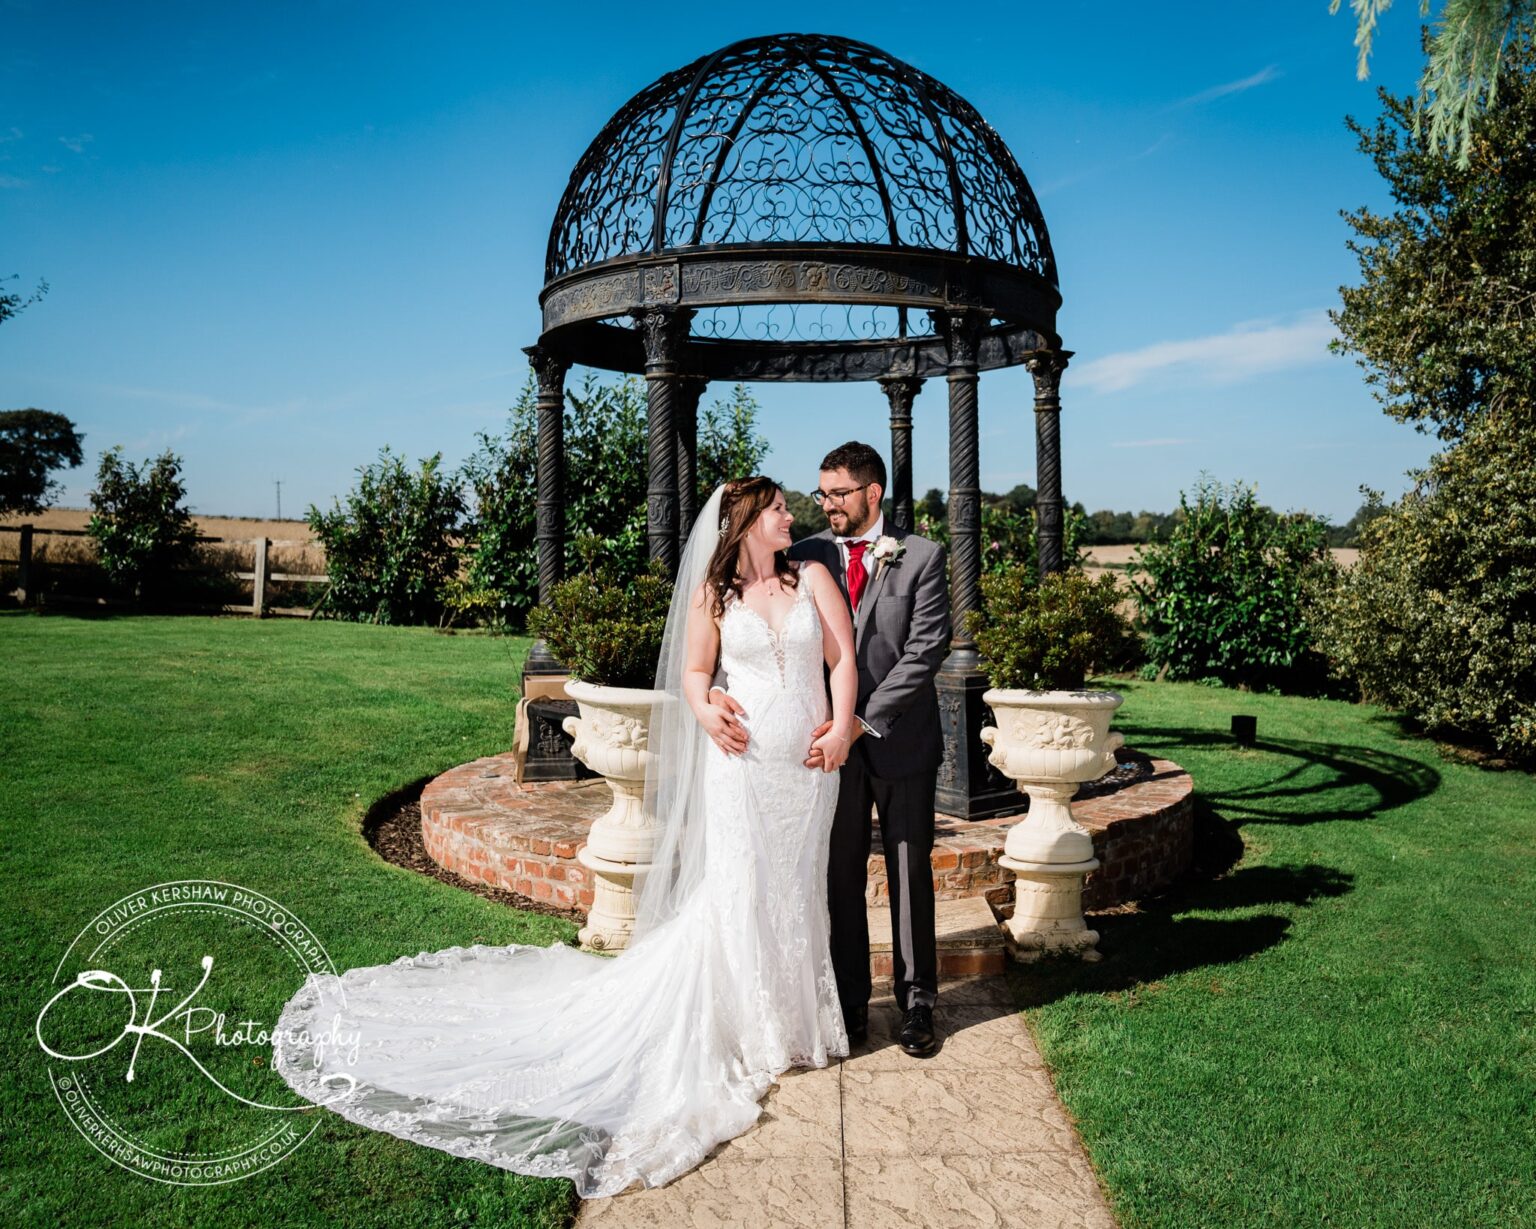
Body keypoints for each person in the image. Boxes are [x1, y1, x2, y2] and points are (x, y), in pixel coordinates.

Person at [271, 477, 859, 1198]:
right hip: (739, 765)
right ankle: (751, 1028)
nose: (789, 515)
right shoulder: (716, 595)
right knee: (741, 886)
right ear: (743, 522)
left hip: (807, 766)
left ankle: (798, 1025)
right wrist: (705, 711)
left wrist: (841, 725)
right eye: (775, 509)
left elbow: (841, 659)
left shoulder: (816, 576)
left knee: (797, 884)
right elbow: (695, 672)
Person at [784, 441, 951, 1058]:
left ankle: (917, 1005)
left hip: (900, 742)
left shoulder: (923, 557)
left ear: (871, 494)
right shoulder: (800, 557)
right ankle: (850, 1006)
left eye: (837, 494)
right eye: (822, 493)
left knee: (910, 873)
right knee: (838, 876)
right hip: (827, 749)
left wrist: (863, 720)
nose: (826, 504)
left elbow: (925, 651)